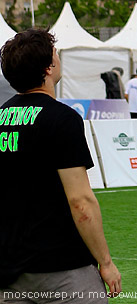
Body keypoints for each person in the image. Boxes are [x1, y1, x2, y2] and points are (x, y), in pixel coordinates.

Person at [0, 28, 121, 299]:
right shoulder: (62, 119)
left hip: (8, 269)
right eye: (55, 52)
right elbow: (80, 201)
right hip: (62, 268)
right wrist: (106, 262)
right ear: (49, 66)